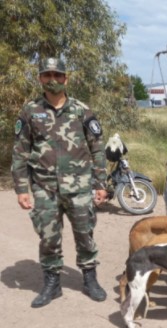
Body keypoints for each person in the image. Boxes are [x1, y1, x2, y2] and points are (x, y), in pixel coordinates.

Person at [11, 57, 108, 308]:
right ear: (40, 78)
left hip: (79, 188)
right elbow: (20, 152)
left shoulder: (82, 110)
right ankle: (52, 284)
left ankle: (90, 279)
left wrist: (100, 183)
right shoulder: (30, 111)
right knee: (48, 238)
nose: (52, 80)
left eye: (57, 75)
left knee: (85, 234)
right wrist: (22, 188)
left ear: (66, 78)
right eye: (47, 75)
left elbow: (97, 149)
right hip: (44, 189)